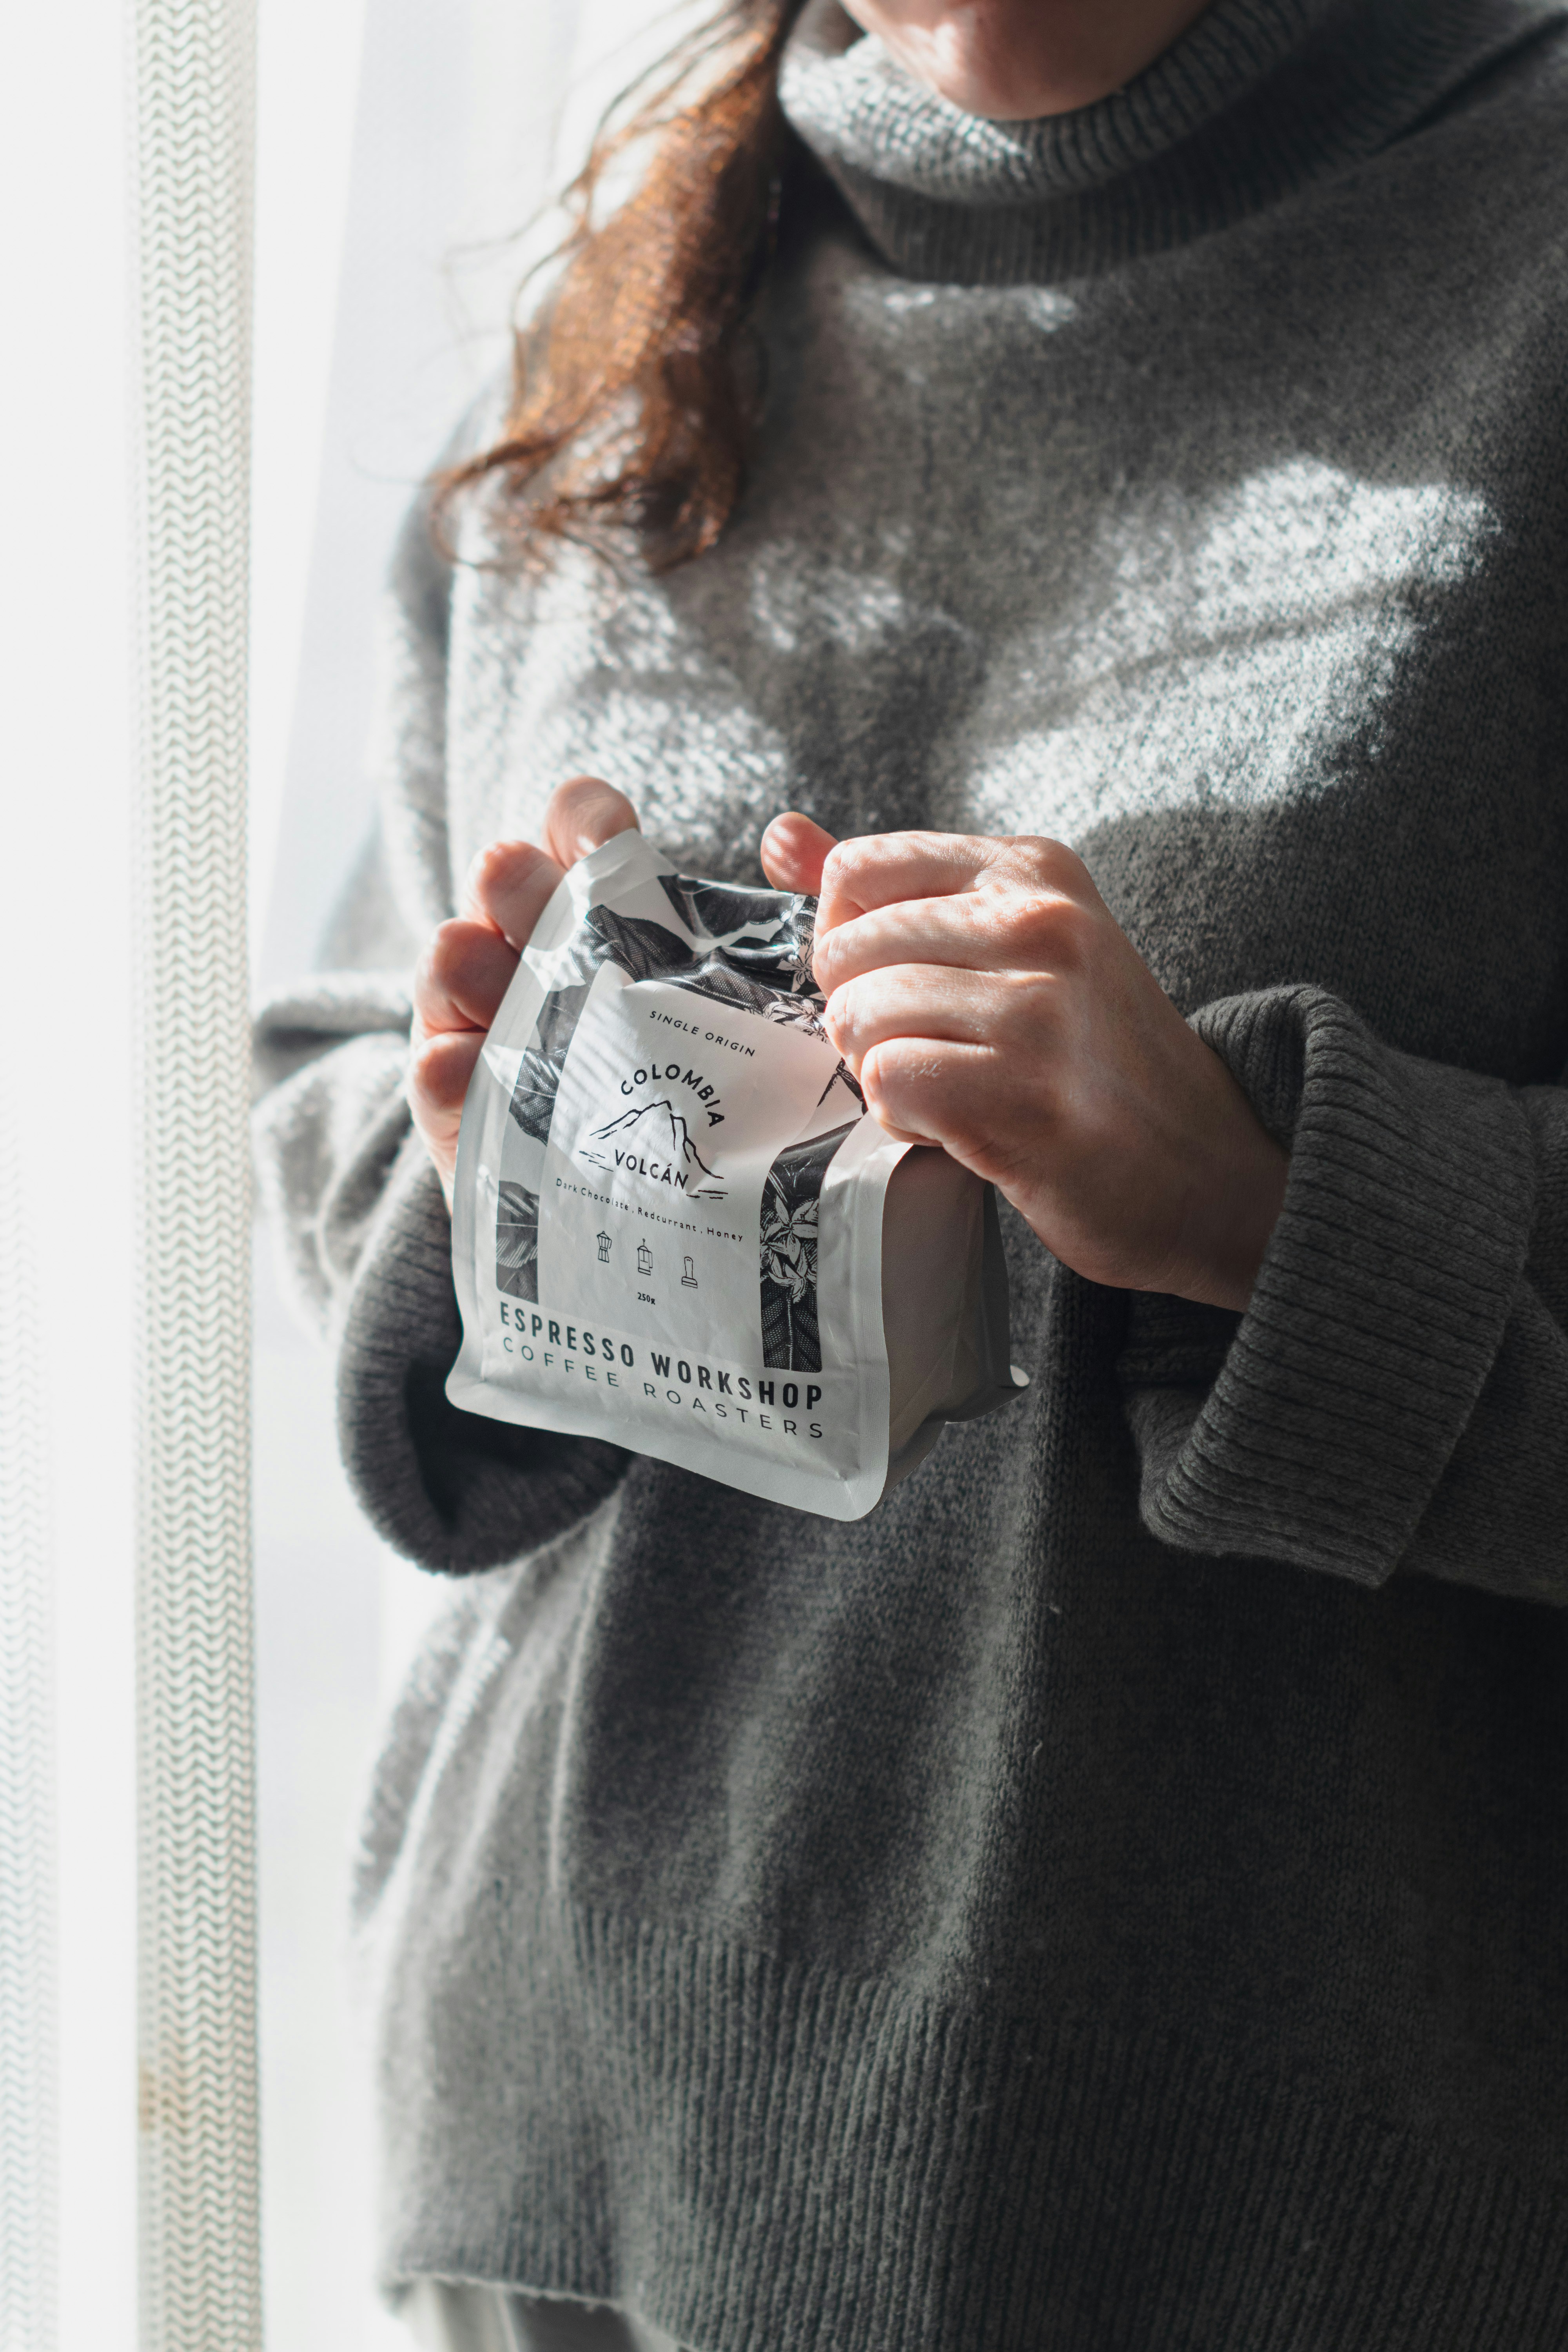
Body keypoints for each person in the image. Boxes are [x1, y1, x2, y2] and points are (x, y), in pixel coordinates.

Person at [254, 0, 1568, 2341]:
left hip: (1299, 2244)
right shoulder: (645, 274)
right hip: (569, 2207)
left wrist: (1268, 1211)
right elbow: (336, 1057)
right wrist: (490, 1157)